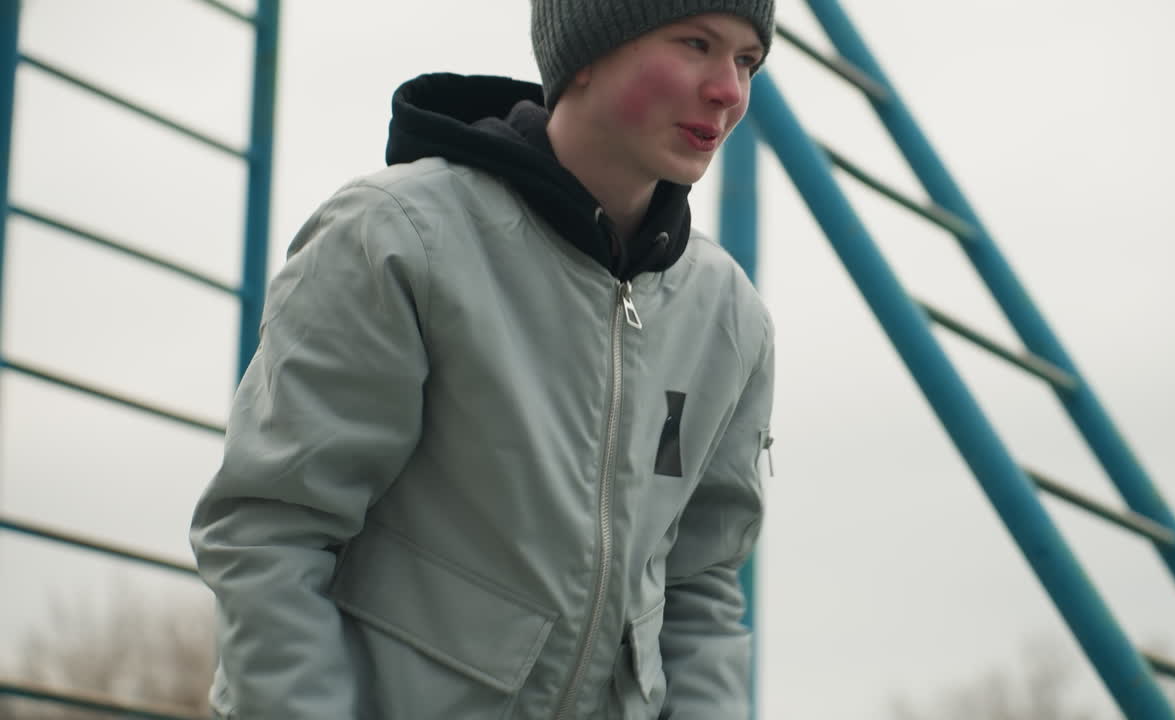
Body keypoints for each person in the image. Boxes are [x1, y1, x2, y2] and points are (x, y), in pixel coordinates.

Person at [189, 1, 776, 718]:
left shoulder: (727, 315)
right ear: (584, 53)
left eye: (747, 60)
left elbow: (702, 584)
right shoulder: (397, 238)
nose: (729, 89)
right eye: (696, 43)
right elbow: (272, 533)